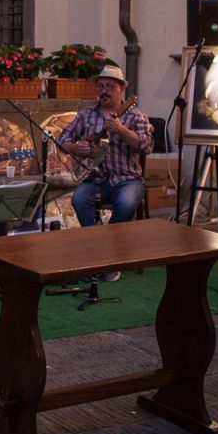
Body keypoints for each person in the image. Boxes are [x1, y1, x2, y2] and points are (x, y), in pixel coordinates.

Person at [59, 65, 153, 280]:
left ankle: (105, 255)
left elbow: (147, 146)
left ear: (122, 90)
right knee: (79, 198)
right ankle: (101, 253)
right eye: (100, 86)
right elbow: (62, 140)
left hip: (127, 179)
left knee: (126, 203)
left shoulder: (135, 115)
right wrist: (76, 148)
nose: (104, 91)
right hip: (95, 178)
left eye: (110, 86)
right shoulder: (85, 115)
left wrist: (121, 130)